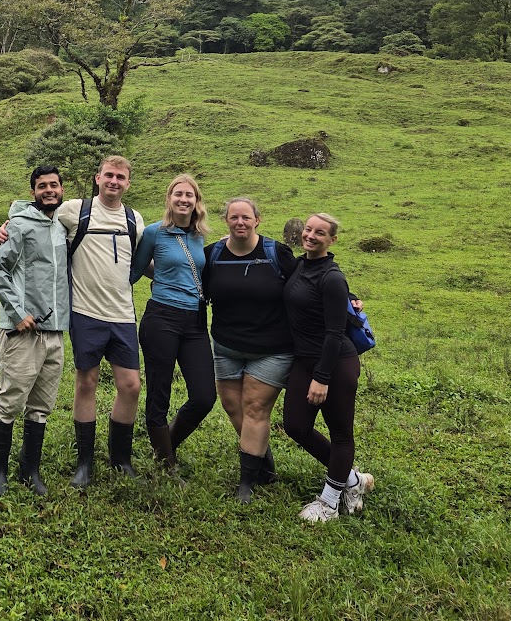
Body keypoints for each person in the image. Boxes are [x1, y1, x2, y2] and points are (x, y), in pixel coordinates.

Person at [1, 155, 143, 487]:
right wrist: (8, 224)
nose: (114, 181)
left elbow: (144, 258)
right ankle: (85, 463)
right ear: (97, 178)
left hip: (123, 314)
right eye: (109, 175)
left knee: (131, 386)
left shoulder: (135, 219)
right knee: (86, 383)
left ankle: (121, 459)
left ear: (127, 183)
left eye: (120, 177)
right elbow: (34, 210)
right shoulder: (76, 210)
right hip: (85, 312)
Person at [202, 198, 299, 503]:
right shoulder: (213, 254)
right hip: (226, 345)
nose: (240, 222)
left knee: (255, 408)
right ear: (226, 220)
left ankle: (247, 483)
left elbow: (306, 281)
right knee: (234, 408)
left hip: (271, 348)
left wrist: (345, 296)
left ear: (258, 220)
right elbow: (191, 283)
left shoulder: (276, 253)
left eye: (246, 217)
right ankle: (264, 464)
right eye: (234, 217)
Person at [282, 213, 374, 522]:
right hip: (304, 360)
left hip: (335, 363)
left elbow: (335, 333)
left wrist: (322, 378)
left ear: (332, 240)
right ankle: (353, 481)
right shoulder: (299, 265)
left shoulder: (332, 276)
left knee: (340, 433)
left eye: (320, 233)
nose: (311, 235)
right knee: (295, 425)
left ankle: (330, 502)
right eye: (308, 229)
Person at [0, 165, 69, 496]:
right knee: (10, 400)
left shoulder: (65, 224)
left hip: (56, 332)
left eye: (53, 185)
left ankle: (30, 470)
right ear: (33, 191)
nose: (48, 190)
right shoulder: (19, 226)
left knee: (42, 406)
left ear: (62, 189)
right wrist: (18, 313)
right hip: (24, 332)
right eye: (41, 186)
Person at [129, 174, 215, 478]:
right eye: (178, 194)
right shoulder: (154, 233)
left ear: (196, 201)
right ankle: (167, 463)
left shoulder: (201, 236)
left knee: (205, 396)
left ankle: (164, 447)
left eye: (189, 195)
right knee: (159, 394)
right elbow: (134, 271)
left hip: (195, 322)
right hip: (161, 318)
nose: (183, 199)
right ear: (169, 199)